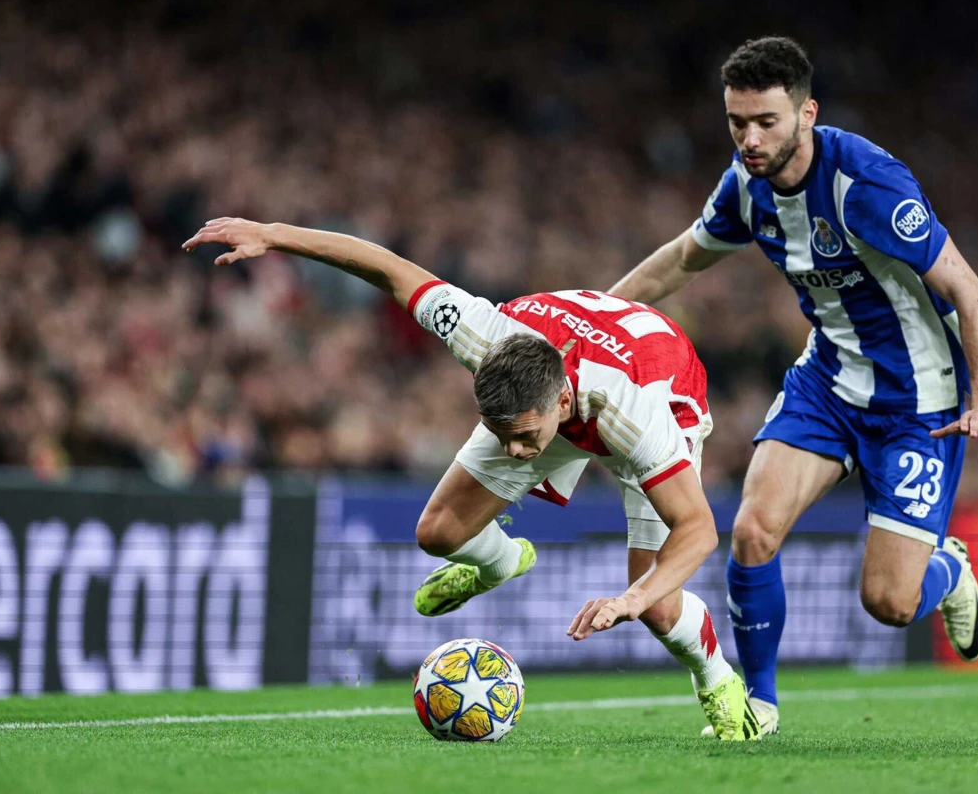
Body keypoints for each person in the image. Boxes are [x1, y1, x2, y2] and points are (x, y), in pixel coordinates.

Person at [184, 217, 761, 741]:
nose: (512, 452)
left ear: (562, 402)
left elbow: (699, 529)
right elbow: (385, 267)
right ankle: (503, 561)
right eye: (500, 432)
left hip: (661, 377)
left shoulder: (634, 415)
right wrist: (272, 235)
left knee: (661, 607)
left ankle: (721, 688)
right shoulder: (482, 333)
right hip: (563, 365)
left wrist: (630, 598)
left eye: (523, 439)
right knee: (437, 532)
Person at [608, 36, 978, 735]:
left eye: (765, 121)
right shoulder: (743, 186)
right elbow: (678, 261)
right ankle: (758, 704)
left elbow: (969, 293)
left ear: (807, 113)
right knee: (752, 533)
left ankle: (948, 567)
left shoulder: (869, 184)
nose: (750, 138)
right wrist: (594, 321)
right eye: (737, 123)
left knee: (888, 602)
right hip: (826, 381)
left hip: (919, 402)